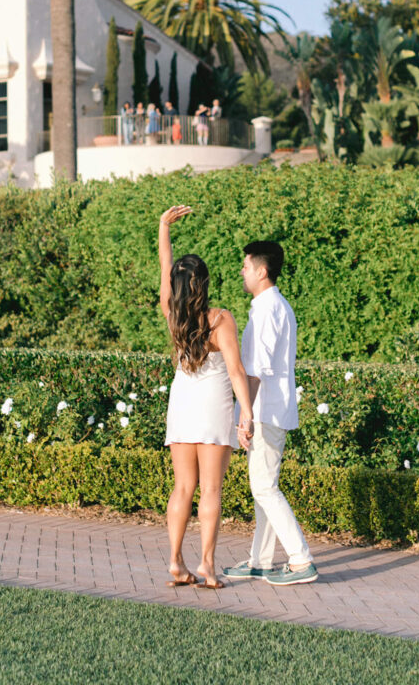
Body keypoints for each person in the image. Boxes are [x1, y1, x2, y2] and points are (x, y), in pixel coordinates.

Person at [159, 205, 254, 589]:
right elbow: (235, 371)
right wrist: (246, 413)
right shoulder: (220, 319)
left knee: (182, 487)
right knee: (211, 489)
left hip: (182, 405)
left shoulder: (172, 313)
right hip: (214, 407)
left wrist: (163, 227)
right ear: (204, 284)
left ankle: (175, 561)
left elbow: (165, 272)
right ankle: (207, 566)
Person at [223, 240, 318, 586]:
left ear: (262, 271)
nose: (242, 271)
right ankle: (261, 562)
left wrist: (244, 415)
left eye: (246, 266)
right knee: (264, 486)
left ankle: (300, 559)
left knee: (264, 488)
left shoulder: (267, 308)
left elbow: (256, 369)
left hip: (264, 410)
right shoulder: (274, 305)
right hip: (269, 409)